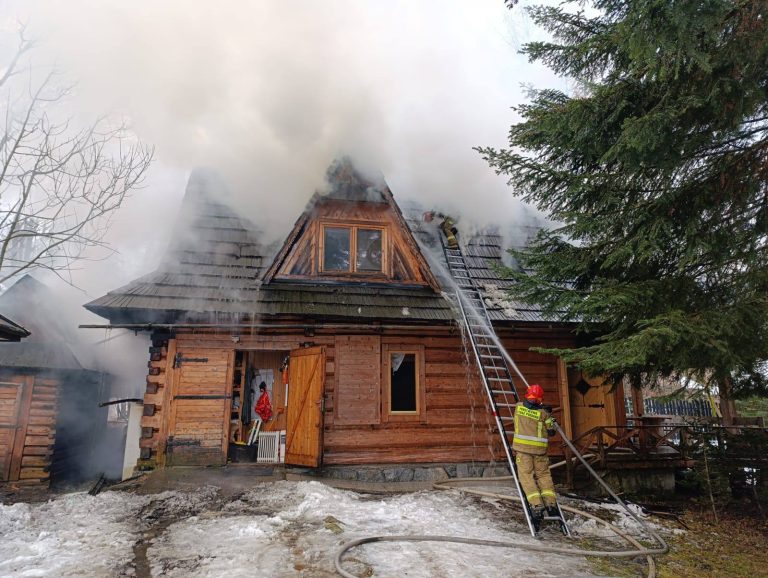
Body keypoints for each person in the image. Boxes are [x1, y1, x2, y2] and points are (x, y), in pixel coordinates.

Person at [512, 383, 559, 525]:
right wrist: (549, 414)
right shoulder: (544, 414)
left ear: (527, 394)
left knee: (527, 477)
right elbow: (552, 431)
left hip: (523, 451)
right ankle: (551, 504)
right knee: (544, 476)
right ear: (540, 399)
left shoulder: (518, 407)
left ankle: (536, 505)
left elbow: (529, 406)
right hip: (540, 452)